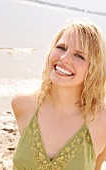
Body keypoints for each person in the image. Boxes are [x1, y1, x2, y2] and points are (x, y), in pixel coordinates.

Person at [11, 18, 106, 170]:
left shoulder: (102, 121)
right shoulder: (22, 103)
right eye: (61, 47)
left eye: (79, 56)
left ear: (94, 69)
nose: (64, 58)